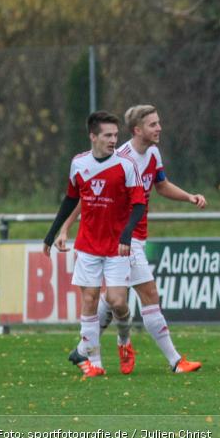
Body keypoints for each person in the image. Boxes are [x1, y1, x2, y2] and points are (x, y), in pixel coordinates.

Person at [56, 105, 204, 374]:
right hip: (124, 238)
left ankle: (85, 349)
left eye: (158, 123)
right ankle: (175, 361)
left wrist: (189, 196)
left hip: (137, 235)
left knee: (114, 301)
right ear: (137, 130)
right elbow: (86, 197)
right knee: (146, 294)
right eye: (152, 125)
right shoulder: (121, 157)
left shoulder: (153, 153)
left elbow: (160, 185)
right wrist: (65, 227)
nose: (159, 128)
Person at [43, 111, 146, 377]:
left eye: (115, 135)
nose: (114, 140)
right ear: (93, 136)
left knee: (116, 302)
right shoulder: (78, 163)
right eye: (108, 135)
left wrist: (126, 234)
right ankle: (95, 363)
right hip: (88, 244)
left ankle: (124, 341)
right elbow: (69, 200)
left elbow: (139, 203)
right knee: (88, 300)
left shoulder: (125, 166)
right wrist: (52, 233)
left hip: (117, 247)